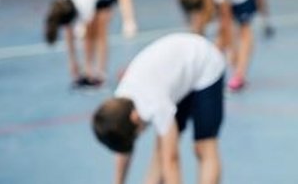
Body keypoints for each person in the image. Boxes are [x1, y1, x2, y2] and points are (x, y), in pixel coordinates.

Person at [92, 32, 225, 184]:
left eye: (137, 134)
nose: (140, 134)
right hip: (175, 76)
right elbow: (123, 150)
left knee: (203, 146)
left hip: (204, 64)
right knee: (161, 147)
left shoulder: (156, 104)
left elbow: (172, 161)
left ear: (135, 117)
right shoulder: (120, 104)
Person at [177, 0, 257, 92]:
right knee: (214, 37)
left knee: (243, 29)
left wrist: (231, 53)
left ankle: (239, 75)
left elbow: (225, 26)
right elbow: (197, 23)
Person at [45, 0, 121, 87]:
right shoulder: (62, 3)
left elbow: (89, 36)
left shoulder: (84, 5)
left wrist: (87, 69)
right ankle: (90, 69)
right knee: (90, 32)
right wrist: (72, 62)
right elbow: (68, 32)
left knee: (100, 30)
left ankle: (101, 72)